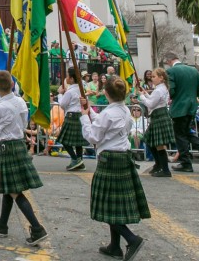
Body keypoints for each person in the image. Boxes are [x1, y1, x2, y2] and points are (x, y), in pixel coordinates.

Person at [80, 76, 150, 261]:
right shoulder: (125, 110)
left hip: (109, 159)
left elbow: (93, 136)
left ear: (106, 93)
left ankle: (132, 239)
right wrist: (90, 112)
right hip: (123, 157)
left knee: (107, 206)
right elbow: (105, 124)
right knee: (115, 205)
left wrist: (83, 117)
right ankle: (114, 247)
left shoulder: (108, 114)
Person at [0, 70, 47, 243]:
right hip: (18, 144)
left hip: (7, 147)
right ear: (12, 85)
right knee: (9, 187)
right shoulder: (20, 101)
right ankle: (1, 224)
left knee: (15, 191)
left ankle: (37, 228)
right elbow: (24, 122)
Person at [163, 51, 199, 172]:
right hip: (191, 107)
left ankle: (186, 163)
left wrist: (172, 99)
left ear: (169, 61)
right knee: (188, 133)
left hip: (179, 108)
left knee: (180, 135)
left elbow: (172, 91)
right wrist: (191, 96)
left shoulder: (171, 71)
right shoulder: (193, 70)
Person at [138, 68, 176, 177]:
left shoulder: (159, 89)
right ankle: (158, 164)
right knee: (149, 140)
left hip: (159, 116)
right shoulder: (161, 88)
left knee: (159, 144)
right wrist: (146, 94)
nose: (152, 78)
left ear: (161, 78)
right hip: (159, 115)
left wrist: (141, 97)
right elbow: (154, 100)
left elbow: (151, 104)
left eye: (154, 76)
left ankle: (164, 169)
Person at [57, 68, 89, 170]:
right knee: (78, 142)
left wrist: (60, 94)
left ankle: (75, 159)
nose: (65, 78)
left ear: (71, 79)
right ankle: (80, 161)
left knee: (64, 140)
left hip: (71, 115)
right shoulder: (81, 89)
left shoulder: (70, 92)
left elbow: (62, 104)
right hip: (79, 115)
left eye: (67, 75)